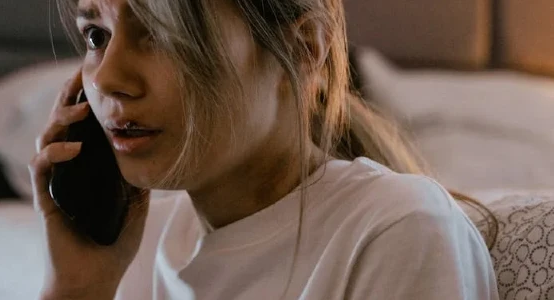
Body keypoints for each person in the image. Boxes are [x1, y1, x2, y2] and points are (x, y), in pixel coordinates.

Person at [29, 0, 499, 299]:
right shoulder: (132, 247)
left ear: (302, 50)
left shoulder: (396, 231)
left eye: (163, 31)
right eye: (97, 36)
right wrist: (77, 289)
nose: (109, 78)